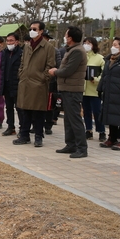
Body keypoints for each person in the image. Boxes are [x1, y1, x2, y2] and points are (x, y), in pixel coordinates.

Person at [14, 21, 57, 147]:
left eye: (34, 28)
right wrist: (21, 74)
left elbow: (50, 66)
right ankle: (24, 135)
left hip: (39, 84)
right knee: (25, 111)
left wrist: (43, 78)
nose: (32, 30)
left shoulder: (48, 47)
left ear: (41, 31)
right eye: (31, 28)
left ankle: (38, 136)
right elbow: (22, 63)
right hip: (25, 83)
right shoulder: (27, 46)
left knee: (39, 112)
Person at [49, 26, 88, 158]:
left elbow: (68, 70)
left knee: (75, 119)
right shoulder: (70, 50)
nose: (65, 37)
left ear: (70, 38)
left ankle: (82, 148)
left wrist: (55, 72)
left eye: (66, 35)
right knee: (68, 119)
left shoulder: (77, 51)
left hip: (73, 89)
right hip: (66, 88)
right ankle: (70, 144)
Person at [0, 32, 24, 136]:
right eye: (7, 41)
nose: (9, 43)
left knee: (20, 108)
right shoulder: (4, 53)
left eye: (11, 41)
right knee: (9, 107)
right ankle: (10, 127)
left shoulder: (21, 53)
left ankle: (23, 128)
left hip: (17, 85)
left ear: (17, 42)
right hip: (7, 84)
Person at [82, 37, 106, 142]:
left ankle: (101, 131)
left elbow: (104, 74)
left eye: (89, 43)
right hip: (83, 89)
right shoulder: (82, 57)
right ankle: (88, 130)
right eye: (85, 43)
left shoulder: (100, 58)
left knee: (97, 111)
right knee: (86, 112)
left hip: (95, 90)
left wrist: (96, 80)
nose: (86, 45)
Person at [42, 30, 62, 135]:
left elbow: (58, 66)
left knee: (49, 105)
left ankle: (48, 125)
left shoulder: (55, 51)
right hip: (36, 82)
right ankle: (36, 125)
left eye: (45, 38)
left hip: (50, 82)